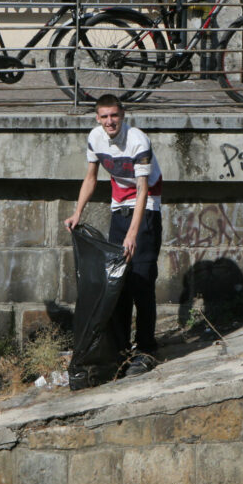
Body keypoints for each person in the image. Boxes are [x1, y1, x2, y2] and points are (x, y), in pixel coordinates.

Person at [63, 94, 163, 377]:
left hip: (146, 210)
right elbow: (91, 177)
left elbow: (143, 190)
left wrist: (132, 234)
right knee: (117, 281)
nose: (110, 122)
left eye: (114, 116)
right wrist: (77, 213)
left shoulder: (138, 141)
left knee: (141, 281)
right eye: (104, 116)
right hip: (119, 207)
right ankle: (121, 348)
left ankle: (146, 349)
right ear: (97, 118)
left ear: (123, 115)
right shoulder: (95, 137)